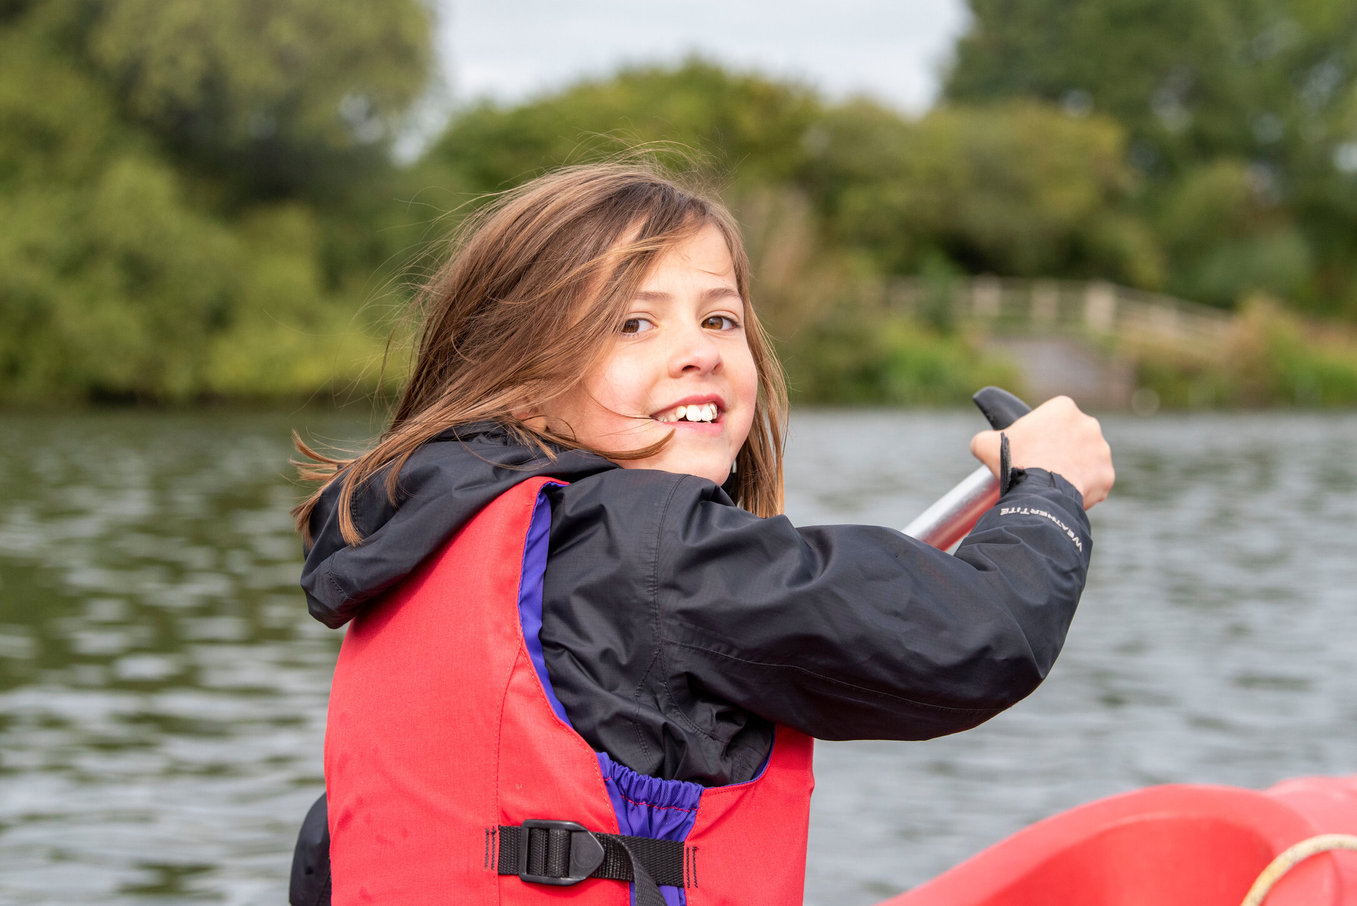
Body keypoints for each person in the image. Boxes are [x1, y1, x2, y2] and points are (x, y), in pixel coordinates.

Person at [287, 159, 1114, 906]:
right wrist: (1049, 491)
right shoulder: (640, 547)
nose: (699, 352)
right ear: (522, 385)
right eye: (632, 325)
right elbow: (971, 637)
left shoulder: (419, 536)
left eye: (719, 320)